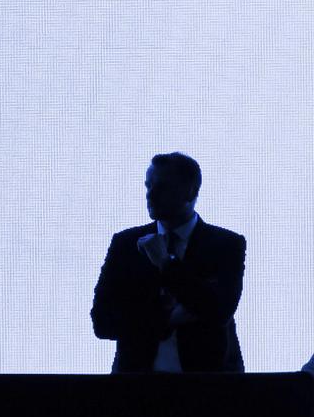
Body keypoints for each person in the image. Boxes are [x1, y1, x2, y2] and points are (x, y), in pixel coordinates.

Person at [91, 152, 244, 373]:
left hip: (209, 387)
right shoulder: (126, 244)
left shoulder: (226, 245)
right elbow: (102, 322)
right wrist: (167, 318)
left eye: (162, 187)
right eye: (148, 186)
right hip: (136, 386)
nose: (150, 195)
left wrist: (166, 263)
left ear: (190, 191)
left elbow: (219, 312)